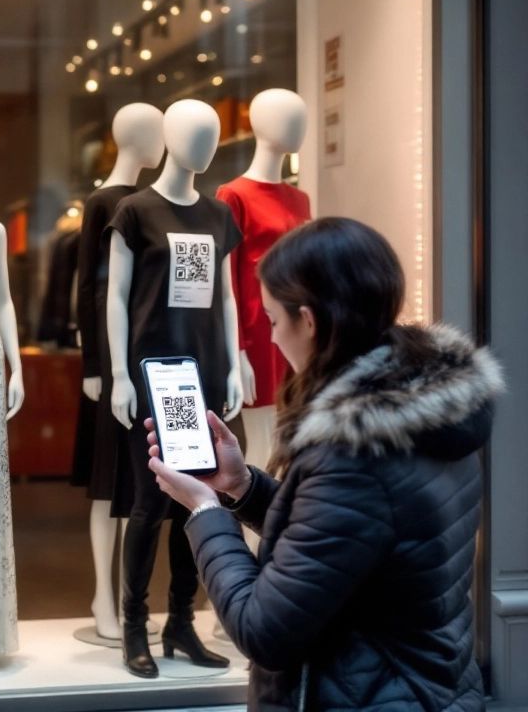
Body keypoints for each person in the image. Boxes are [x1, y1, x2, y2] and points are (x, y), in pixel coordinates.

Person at [144, 217, 500, 710]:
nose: (270, 338)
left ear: (308, 321)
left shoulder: (354, 461)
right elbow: (346, 547)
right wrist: (241, 485)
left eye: (272, 320)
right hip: (426, 687)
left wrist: (204, 510)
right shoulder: (424, 416)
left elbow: (263, 630)